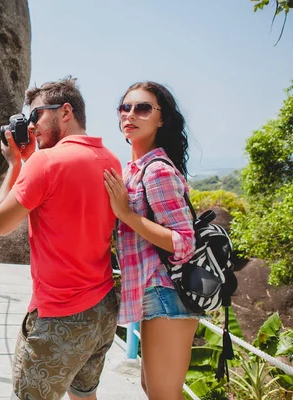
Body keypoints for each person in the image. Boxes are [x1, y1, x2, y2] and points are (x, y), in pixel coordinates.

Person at [0, 77, 121, 400]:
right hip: (102, 311)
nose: (31, 127)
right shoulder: (111, 160)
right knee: (84, 394)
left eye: (35, 116)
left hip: (59, 319)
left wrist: (15, 164)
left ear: (65, 112)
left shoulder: (44, 163)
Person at [103, 81, 202, 400]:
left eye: (143, 108)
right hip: (154, 293)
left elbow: (184, 242)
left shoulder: (156, 171)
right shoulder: (134, 170)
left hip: (167, 294)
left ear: (162, 119)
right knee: (153, 389)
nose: (130, 114)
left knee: (163, 395)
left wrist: (126, 214)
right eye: (125, 107)